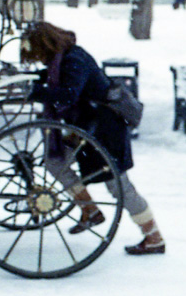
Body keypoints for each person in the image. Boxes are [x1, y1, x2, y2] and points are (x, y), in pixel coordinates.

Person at [21, 21, 165, 255]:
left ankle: (153, 237)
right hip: (87, 129)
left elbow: (67, 95)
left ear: (45, 45)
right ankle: (90, 210)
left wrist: (34, 92)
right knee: (55, 161)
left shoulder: (73, 60)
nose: (38, 59)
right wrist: (29, 79)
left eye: (37, 53)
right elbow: (51, 78)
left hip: (105, 129)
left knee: (119, 187)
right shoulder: (62, 59)